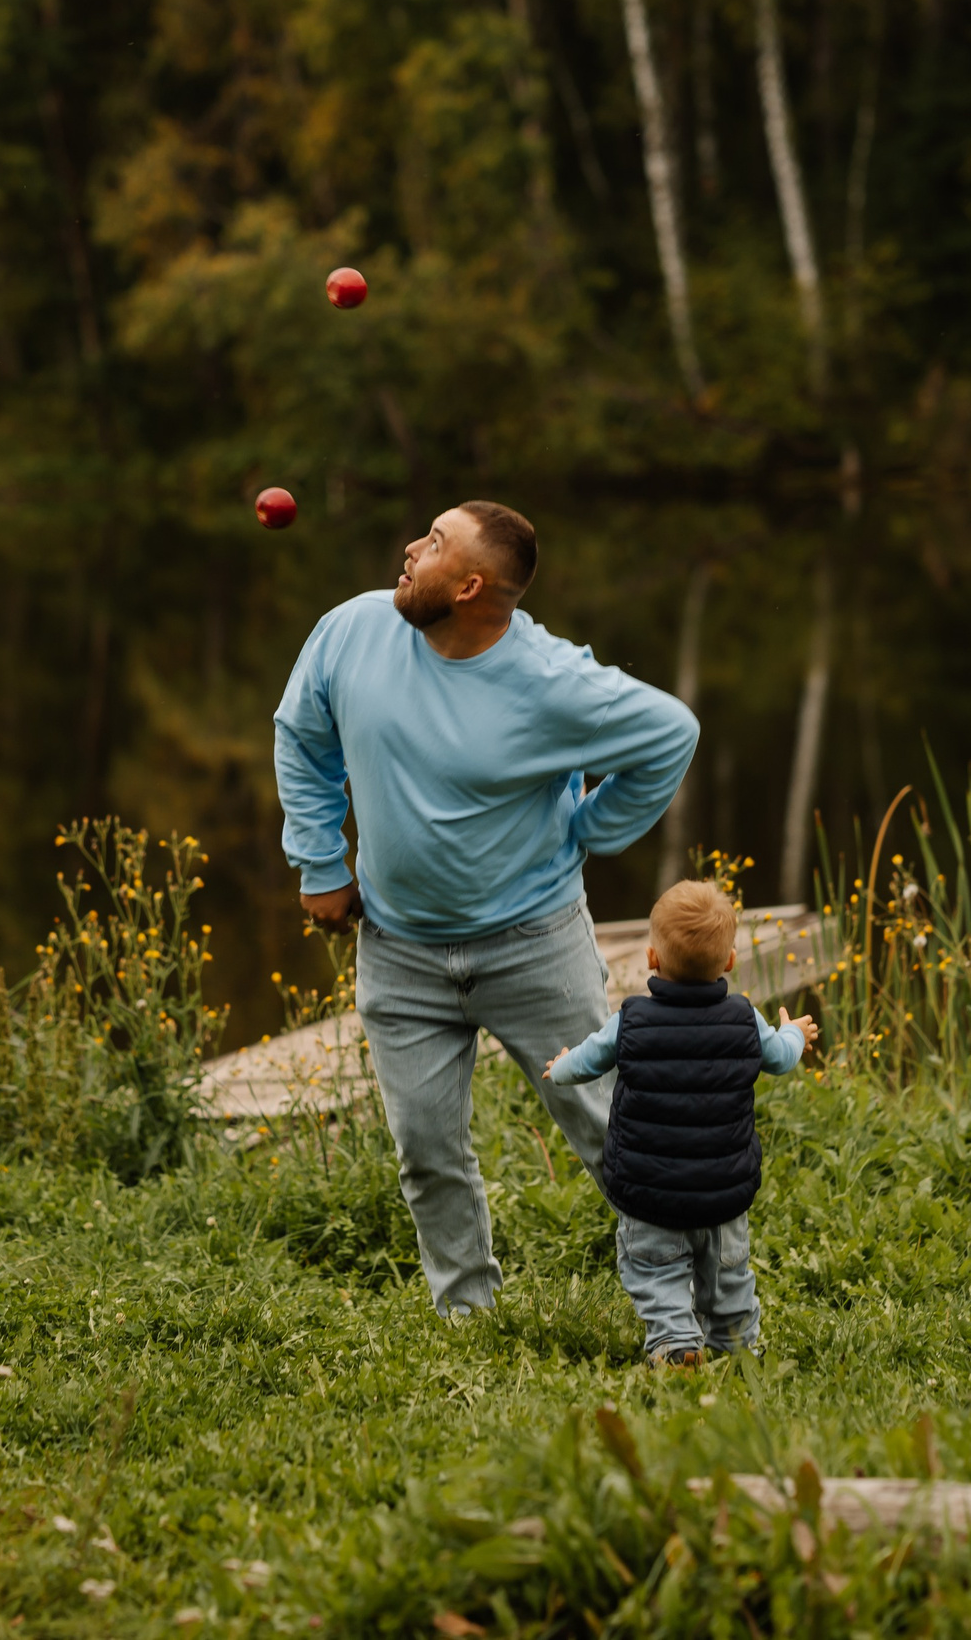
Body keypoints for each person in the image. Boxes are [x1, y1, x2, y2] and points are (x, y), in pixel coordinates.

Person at [273, 500, 699, 1318]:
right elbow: (303, 734)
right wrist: (320, 860)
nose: (409, 548)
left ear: (470, 586)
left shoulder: (551, 680)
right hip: (399, 949)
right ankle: (467, 1316)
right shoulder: (352, 631)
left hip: (533, 945)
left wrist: (591, 829)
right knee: (426, 1152)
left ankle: (685, 1301)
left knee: (611, 1129)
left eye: (433, 543)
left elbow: (669, 733)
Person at [542, 880, 816, 1364]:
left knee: (657, 1273)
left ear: (651, 958)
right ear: (730, 961)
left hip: (650, 1193)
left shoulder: (632, 1020)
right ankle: (735, 1347)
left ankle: (674, 1343)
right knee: (728, 1278)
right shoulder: (744, 1018)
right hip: (724, 1193)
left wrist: (559, 1067)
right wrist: (794, 1032)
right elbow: (780, 1057)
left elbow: (585, 1062)